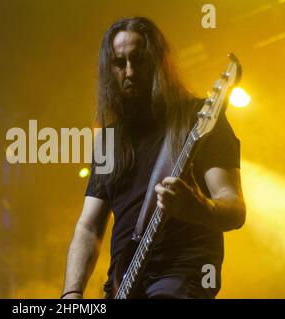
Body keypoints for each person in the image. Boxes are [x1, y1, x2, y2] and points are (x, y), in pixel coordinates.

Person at [61, 17, 246, 299]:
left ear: (159, 63)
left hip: (181, 273)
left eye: (139, 60)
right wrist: (71, 294)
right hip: (123, 282)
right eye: (120, 63)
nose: (130, 72)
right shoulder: (110, 140)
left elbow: (235, 208)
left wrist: (199, 207)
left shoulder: (198, 119)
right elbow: (89, 226)